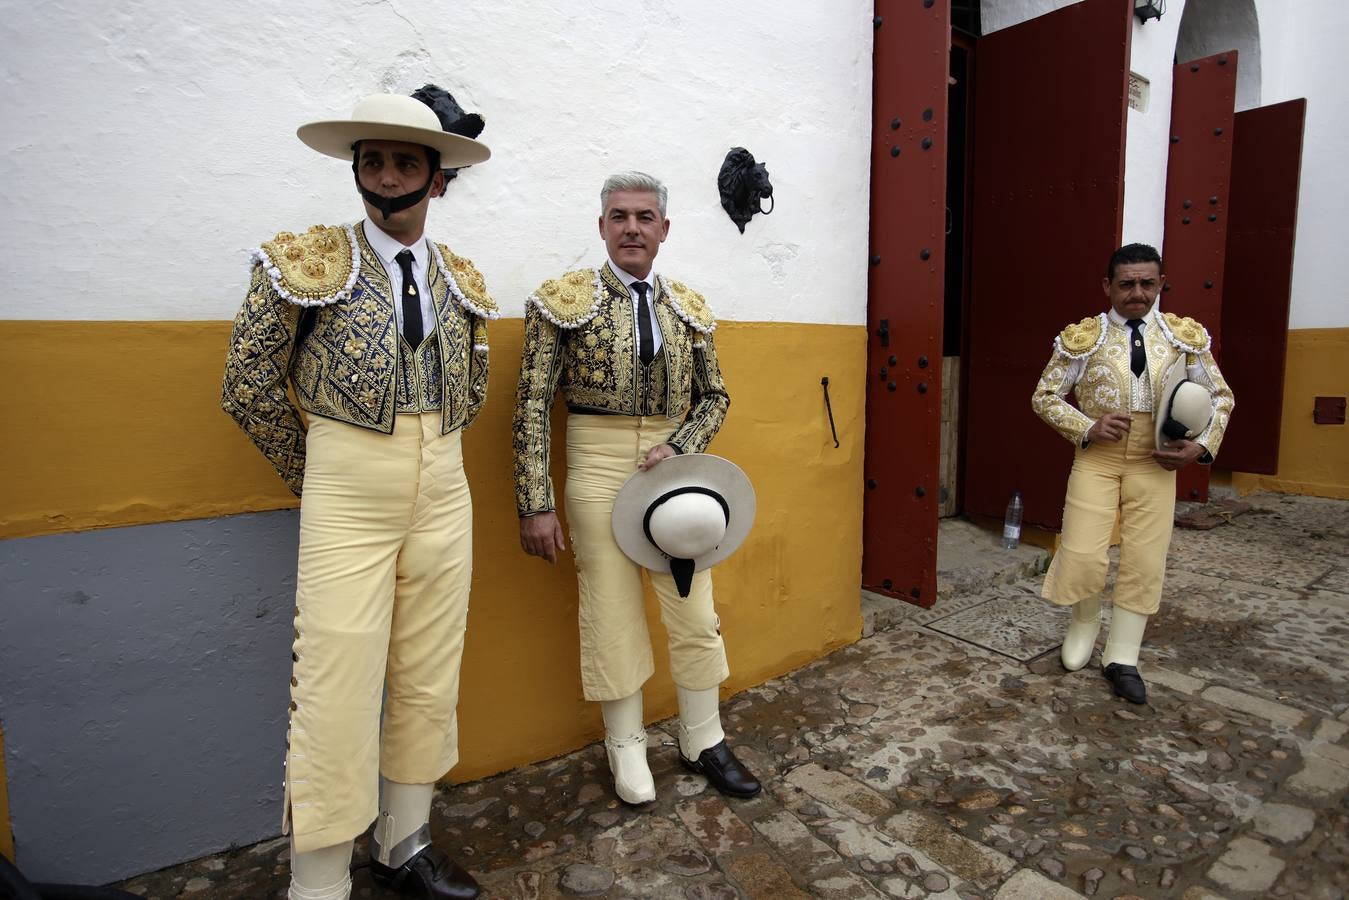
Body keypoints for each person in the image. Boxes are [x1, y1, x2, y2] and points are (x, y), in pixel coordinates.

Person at [221, 88, 495, 900]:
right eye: (371, 160)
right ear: (356, 171)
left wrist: (430, 451)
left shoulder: (463, 276)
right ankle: (319, 880)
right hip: (346, 481)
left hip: (444, 481)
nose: (385, 175)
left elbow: (472, 385)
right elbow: (247, 384)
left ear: (436, 180)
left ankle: (404, 842)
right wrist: (321, 476)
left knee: (429, 667)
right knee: (334, 682)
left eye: (404, 161)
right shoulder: (305, 261)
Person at [511, 171, 761, 805]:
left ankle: (704, 737)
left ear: (664, 230)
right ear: (601, 227)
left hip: (672, 471)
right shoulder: (562, 300)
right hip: (595, 463)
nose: (631, 227)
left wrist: (680, 446)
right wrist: (535, 501)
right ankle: (626, 744)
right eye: (619, 216)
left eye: (644, 217)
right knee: (611, 608)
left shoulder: (688, 306)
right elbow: (534, 404)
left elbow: (717, 395)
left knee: (694, 606)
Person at [1032, 243, 1234, 704]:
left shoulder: (1184, 336)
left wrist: (1201, 446)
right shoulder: (1083, 338)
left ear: (1161, 284)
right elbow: (1044, 396)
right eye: (1127, 284)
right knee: (1082, 551)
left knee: (1145, 557)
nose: (1137, 293)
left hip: (1155, 460)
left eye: (1147, 283)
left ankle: (1123, 655)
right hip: (1098, 459)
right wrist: (1087, 425)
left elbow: (1220, 396)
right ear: (1108, 286)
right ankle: (1083, 623)